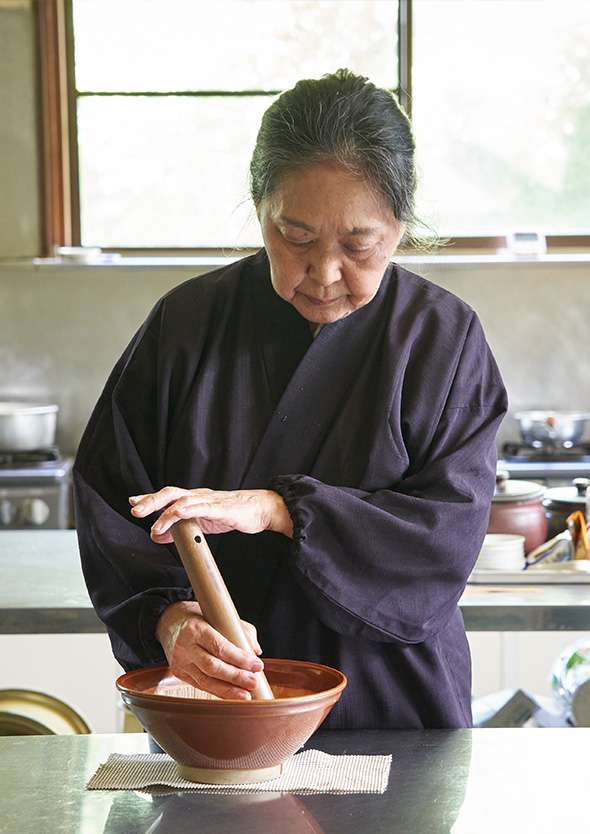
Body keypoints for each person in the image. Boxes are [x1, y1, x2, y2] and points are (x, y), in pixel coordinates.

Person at [74, 68, 507, 729]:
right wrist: (167, 621)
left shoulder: (443, 340)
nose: (326, 272)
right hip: (219, 707)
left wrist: (281, 510)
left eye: (359, 244)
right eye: (296, 238)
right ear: (259, 211)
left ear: (401, 225)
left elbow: (443, 538)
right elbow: (111, 502)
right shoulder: (186, 326)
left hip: (393, 710)